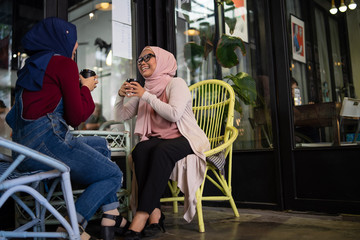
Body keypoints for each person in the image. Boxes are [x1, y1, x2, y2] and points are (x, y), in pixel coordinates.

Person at [5, 17, 128, 240]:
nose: (75, 48)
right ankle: (71, 225)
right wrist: (86, 89)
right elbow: (76, 117)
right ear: (62, 38)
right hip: (48, 143)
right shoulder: (64, 64)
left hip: (21, 153)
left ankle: (111, 212)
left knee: (101, 146)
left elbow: (12, 119)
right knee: (113, 174)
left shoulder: (29, 67)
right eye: (74, 42)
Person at [114, 46, 210, 240]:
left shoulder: (176, 83)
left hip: (187, 137)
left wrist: (145, 96)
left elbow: (174, 114)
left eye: (148, 57)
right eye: (140, 59)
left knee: (160, 151)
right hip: (161, 140)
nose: (142, 62)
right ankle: (155, 216)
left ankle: (140, 217)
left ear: (163, 60)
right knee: (140, 150)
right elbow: (120, 116)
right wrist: (120, 96)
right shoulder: (146, 90)